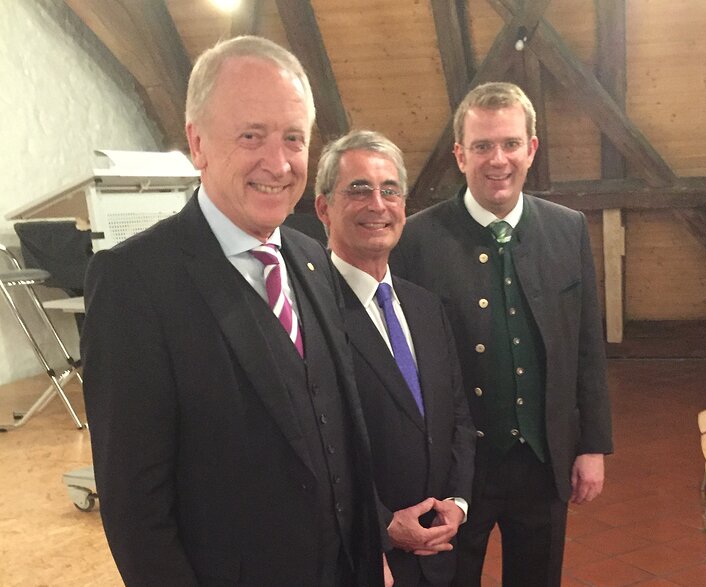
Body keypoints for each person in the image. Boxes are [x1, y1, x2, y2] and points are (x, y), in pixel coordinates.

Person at [81, 36, 385, 586]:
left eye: (294, 138)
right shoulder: (136, 283)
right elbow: (136, 511)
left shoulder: (311, 256)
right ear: (197, 143)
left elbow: (335, 429)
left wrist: (371, 546)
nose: (278, 162)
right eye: (252, 135)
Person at [391, 82, 613, 586]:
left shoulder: (568, 229)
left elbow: (585, 347)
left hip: (543, 459)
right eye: (482, 146)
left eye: (511, 143)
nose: (498, 159)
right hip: (454, 470)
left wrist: (591, 445)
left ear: (531, 149)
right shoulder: (417, 240)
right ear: (460, 155)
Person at [314, 130, 476, 586]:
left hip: (439, 543)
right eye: (358, 190)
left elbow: (458, 414)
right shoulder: (311, 312)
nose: (378, 205)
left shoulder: (426, 305)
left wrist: (458, 504)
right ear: (323, 207)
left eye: (390, 191)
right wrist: (382, 524)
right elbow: (318, 448)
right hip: (365, 555)